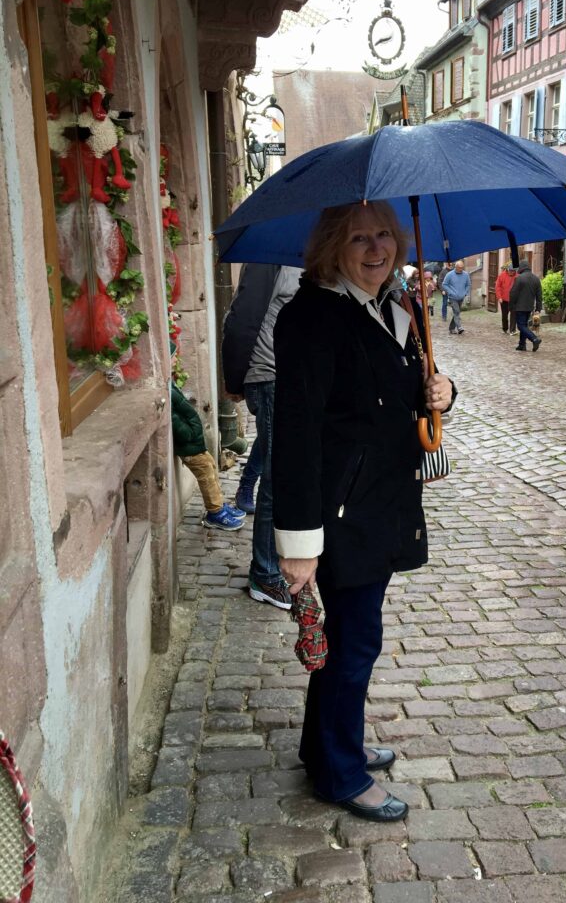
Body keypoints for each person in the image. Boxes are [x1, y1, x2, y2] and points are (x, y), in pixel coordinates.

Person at [271, 201, 455, 823]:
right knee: (354, 645)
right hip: (341, 511)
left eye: (384, 234)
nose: (376, 248)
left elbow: (402, 390)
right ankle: (341, 774)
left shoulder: (392, 305)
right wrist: (299, 540)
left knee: (351, 640)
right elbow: (293, 434)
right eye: (359, 238)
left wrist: (443, 391)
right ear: (332, 246)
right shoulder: (313, 316)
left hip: (381, 500)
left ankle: (322, 746)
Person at [222, 264, 301, 609]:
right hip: (269, 376)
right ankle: (265, 574)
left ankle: (276, 563)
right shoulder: (270, 257)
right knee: (277, 476)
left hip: (290, 375)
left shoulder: (306, 251)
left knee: (281, 468)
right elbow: (241, 317)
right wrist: (236, 377)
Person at [171, 381, 244, 531]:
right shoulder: (167, 390)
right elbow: (175, 419)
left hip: (195, 443)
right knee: (206, 476)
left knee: (211, 467)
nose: (174, 359)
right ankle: (215, 513)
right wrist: (190, 433)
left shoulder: (170, 384)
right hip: (189, 446)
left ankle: (219, 504)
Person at [509, 259, 542, 352]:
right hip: (529, 307)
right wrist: (538, 308)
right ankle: (522, 345)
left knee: (521, 326)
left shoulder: (519, 278)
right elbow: (539, 295)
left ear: (521, 268)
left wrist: (511, 306)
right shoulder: (536, 279)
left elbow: (513, 293)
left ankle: (534, 339)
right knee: (524, 325)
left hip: (519, 307)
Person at [442, 259, 471, 334]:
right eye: (459, 268)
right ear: (456, 267)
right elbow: (444, 284)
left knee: (456, 313)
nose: (461, 269)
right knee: (457, 311)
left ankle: (451, 328)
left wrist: (465, 292)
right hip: (452, 297)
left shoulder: (466, 275)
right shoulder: (449, 274)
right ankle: (459, 327)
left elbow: (468, 284)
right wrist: (450, 292)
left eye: (462, 268)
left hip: (461, 297)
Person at [494, 262, 517, 335]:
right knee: (504, 315)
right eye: (511, 271)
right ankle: (505, 328)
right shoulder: (502, 275)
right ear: (508, 269)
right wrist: (499, 297)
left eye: (513, 271)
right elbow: (498, 287)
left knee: (513, 315)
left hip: (514, 300)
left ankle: (512, 330)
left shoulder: (517, 276)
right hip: (504, 299)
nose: (512, 272)